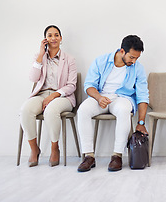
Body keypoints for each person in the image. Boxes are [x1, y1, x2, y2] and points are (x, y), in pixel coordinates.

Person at [77, 35, 149, 172]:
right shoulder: (101, 61)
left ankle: (117, 156)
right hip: (100, 97)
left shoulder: (137, 68)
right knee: (83, 110)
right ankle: (88, 156)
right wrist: (98, 97)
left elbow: (143, 95)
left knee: (124, 110)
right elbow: (89, 85)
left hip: (122, 98)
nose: (134, 61)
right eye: (131, 57)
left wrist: (141, 122)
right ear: (122, 51)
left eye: (137, 58)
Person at [20, 25, 77, 167]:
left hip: (63, 96)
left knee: (51, 111)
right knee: (25, 110)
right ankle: (34, 149)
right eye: (50, 35)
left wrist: (54, 96)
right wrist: (40, 55)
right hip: (42, 94)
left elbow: (72, 85)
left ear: (61, 38)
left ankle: (54, 148)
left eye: (56, 35)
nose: (53, 38)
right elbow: (33, 78)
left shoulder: (69, 59)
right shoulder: (40, 57)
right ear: (45, 39)